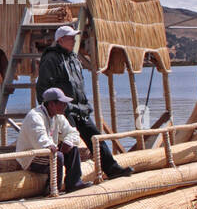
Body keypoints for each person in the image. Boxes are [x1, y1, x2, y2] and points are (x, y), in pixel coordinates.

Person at [35, 24, 133, 180]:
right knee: (70, 142)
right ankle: (73, 180)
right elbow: (42, 88)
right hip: (64, 110)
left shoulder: (73, 58)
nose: (74, 40)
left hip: (80, 109)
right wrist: (53, 111)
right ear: (60, 40)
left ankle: (112, 169)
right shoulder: (51, 59)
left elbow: (78, 85)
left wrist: (85, 105)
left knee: (95, 137)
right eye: (71, 38)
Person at [15, 87, 91, 193]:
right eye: (62, 103)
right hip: (31, 157)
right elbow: (41, 143)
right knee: (57, 156)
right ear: (51, 104)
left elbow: (73, 133)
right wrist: (55, 148)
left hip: (47, 152)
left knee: (72, 149)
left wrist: (68, 141)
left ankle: (74, 183)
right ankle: (52, 189)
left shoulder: (57, 116)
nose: (65, 106)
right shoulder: (35, 117)